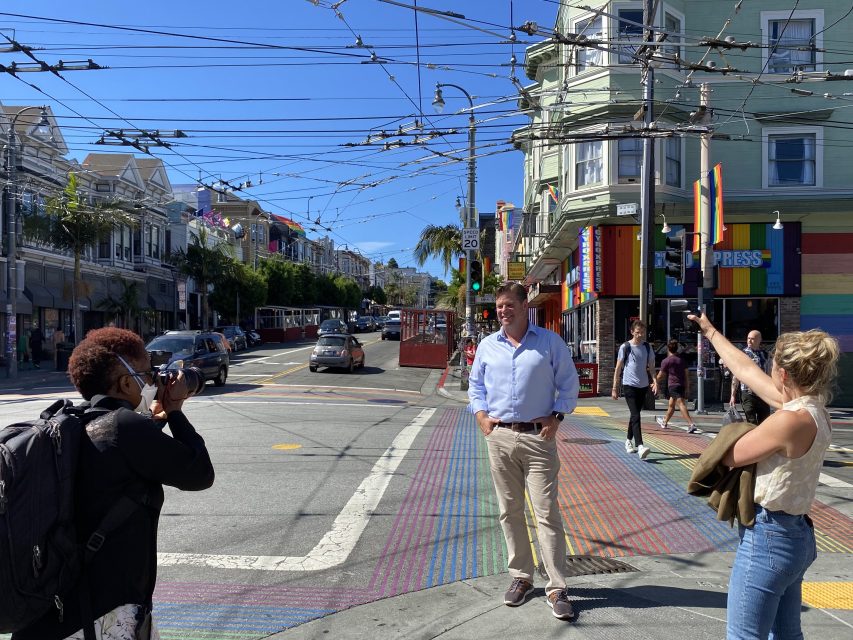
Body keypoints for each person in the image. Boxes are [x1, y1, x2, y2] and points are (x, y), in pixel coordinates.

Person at [13, 327, 215, 640]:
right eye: (148, 372)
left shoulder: (73, 426)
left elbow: (122, 459)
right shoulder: (125, 428)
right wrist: (175, 413)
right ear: (125, 382)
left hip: (51, 616)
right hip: (103, 617)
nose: (154, 380)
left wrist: (155, 420)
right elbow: (200, 473)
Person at [688, 312, 839, 640]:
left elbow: (729, 455)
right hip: (795, 535)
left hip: (768, 538)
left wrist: (736, 430)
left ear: (783, 374)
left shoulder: (789, 421)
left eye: (772, 370)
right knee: (786, 635)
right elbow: (745, 369)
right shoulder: (814, 410)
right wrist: (710, 330)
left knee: (744, 636)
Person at [468, 282, 579, 621]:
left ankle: (556, 586)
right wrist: (483, 417)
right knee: (509, 511)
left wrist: (557, 416)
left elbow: (569, 383)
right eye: (499, 306)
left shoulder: (549, 342)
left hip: (537, 439)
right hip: (500, 438)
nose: (503, 311)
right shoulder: (488, 346)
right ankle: (522, 577)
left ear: (523, 304)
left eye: (508, 305)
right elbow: (475, 386)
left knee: (546, 513)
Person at [611, 320, 658, 460]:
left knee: (634, 415)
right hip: (629, 385)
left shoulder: (647, 347)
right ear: (632, 332)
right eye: (637, 332)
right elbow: (618, 368)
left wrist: (655, 382)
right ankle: (640, 445)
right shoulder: (625, 347)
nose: (640, 335)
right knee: (636, 415)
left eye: (642, 332)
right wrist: (614, 387)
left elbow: (652, 367)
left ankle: (627, 441)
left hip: (643, 386)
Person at [656, 339, 698, 433]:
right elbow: (687, 375)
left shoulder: (666, 361)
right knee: (671, 404)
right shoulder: (682, 361)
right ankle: (664, 422)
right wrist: (687, 387)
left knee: (681, 404)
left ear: (668, 349)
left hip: (673, 385)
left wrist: (655, 382)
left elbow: (660, 375)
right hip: (681, 385)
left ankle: (691, 424)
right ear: (677, 348)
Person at [730, 330, 771, 425]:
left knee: (764, 422)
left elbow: (768, 373)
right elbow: (736, 375)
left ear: (759, 340)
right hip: (747, 393)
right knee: (751, 422)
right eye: (748, 338)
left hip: (762, 394)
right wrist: (733, 395)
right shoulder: (742, 354)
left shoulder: (765, 354)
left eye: (752, 339)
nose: (749, 341)